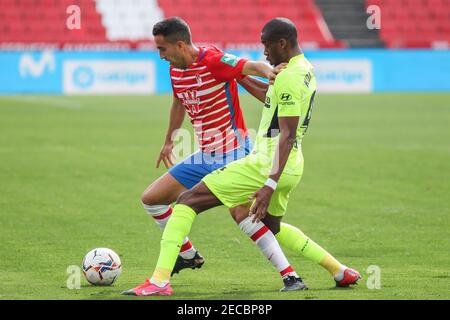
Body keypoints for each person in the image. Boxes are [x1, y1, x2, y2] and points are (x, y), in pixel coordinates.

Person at [123, 18, 361, 296]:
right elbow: (264, 93)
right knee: (270, 224)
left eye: (266, 45)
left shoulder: (282, 75)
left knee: (192, 202)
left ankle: (160, 281)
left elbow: (284, 129)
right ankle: (338, 269)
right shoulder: (305, 70)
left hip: (257, 159)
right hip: (284, 162)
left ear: (281, 44)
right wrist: (239, 75)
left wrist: (269, 184)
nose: (264, 52)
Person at [139, 16, 280, 276]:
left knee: (242, 212)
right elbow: (179, 102)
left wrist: (271, 73)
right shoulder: (175, 70)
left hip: (234, 152)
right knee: (152, 200)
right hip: (204, 154)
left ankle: (289, 274)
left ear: (180, 45)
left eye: (162, 49)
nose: (160, 56)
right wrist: (170, 139)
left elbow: (251, 66)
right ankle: (187, 254)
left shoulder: (212, 61)